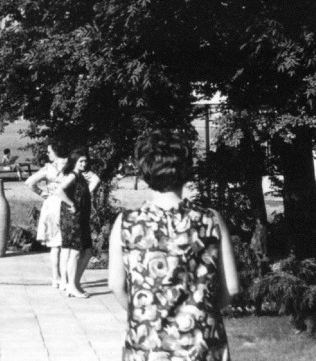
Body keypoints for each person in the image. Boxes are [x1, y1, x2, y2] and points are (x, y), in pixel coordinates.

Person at [108, 130, 239, 360]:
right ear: (186, 171)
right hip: (203, 343)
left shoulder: (126, 223)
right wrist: (203, 310)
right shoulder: (211, 220)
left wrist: (143, 314)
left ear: (145, 170)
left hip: (146, 343)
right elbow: (232, 288)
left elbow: (116, 285)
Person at [25, 140, 70, 288]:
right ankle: (65, 278)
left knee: (54, 245)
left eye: (49, 151)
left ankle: (56, 277)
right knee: (65, 244)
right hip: (66, 203)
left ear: (56, 152)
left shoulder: (49, 169)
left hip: (51, 204)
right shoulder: (70, 166)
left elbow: (29, 182)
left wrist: (43, 193)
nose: (47, 153)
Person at [55, 148, 99, 298]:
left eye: (85, 160)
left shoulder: (80, 176)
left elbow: (87, 191)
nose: (84, 163)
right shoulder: (73, 175)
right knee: (75, 252)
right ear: (74, 162)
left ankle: (74, 283)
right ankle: (71, 286)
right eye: (81, 161)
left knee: (87, 252)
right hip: (73, 219)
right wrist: (71, 204)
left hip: (81, 218)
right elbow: (59, 191)